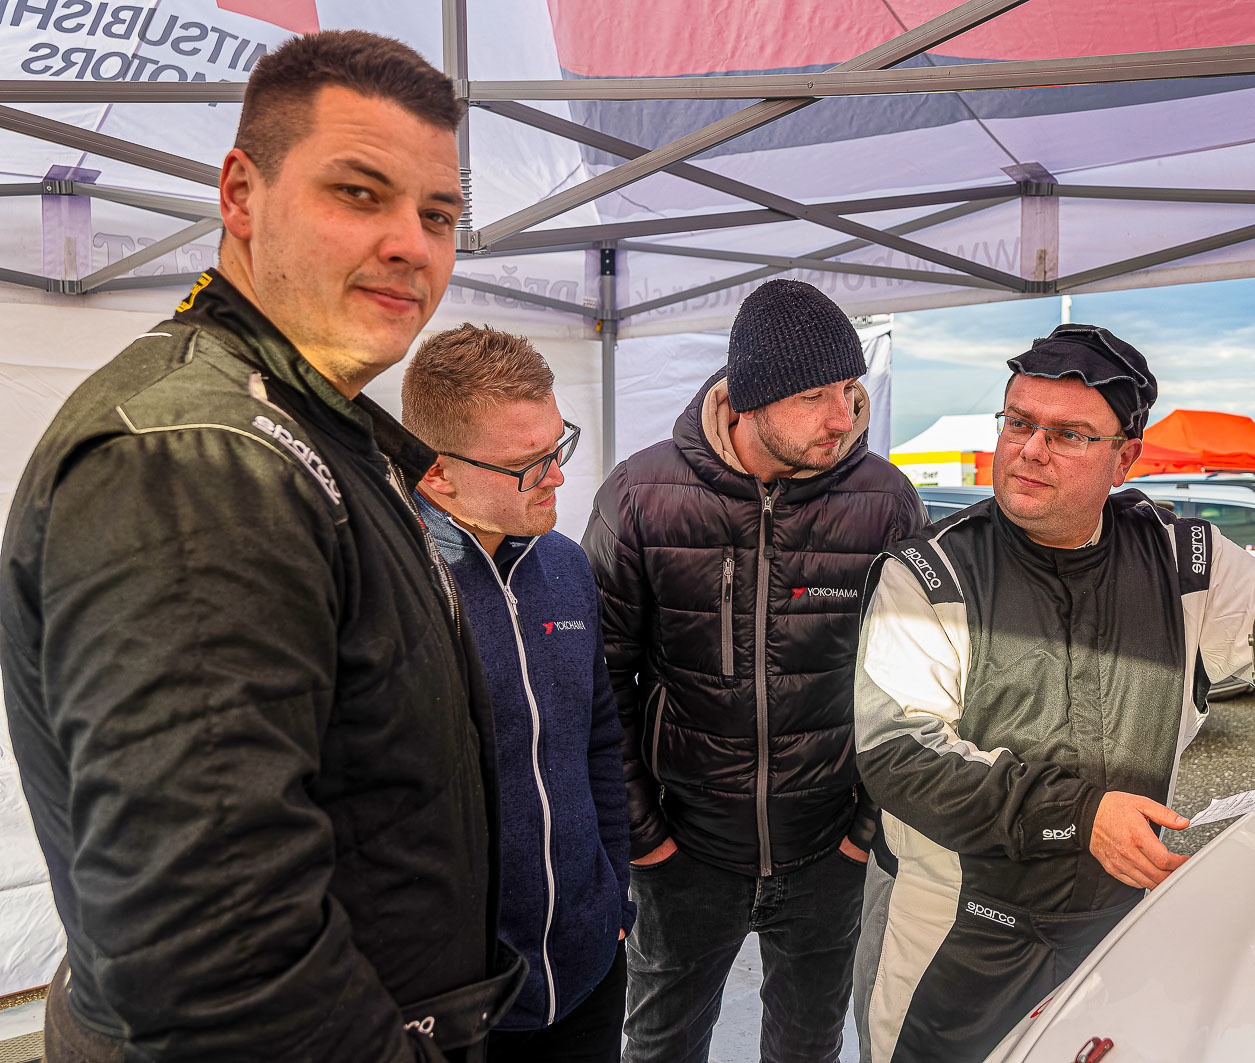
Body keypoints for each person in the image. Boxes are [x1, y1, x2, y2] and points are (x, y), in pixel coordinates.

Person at [0, 31, 524, 1063]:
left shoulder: (309, 427)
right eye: (359, 194)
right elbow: (215, 953)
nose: (413, 245)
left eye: (438, 214)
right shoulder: (199, 459)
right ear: (241, 195)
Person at [851, 324, 1255, 1063]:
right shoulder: (928, 575)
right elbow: (899, 756)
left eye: (1069, 434)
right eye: (1018, 423)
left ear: (1125, 458)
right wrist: (1081, 816)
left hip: (1117, 931)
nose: (1030, 450)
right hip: (954, 936)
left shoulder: (1187, 564)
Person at [582, 279, 926, 1063]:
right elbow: (600, 683)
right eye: (813, 396)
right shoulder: (640, 496)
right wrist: (644, 837)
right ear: (745, 399)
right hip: (684, 850)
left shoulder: (884, 501)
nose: (842, 415)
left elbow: (914, 686)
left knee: (808, 1046)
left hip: (827, 852)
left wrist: (863, 832)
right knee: (661, 1044)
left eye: (848, 388)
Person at [403, 324, 634, 1063]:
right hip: (459, 1000)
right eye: (526, 465)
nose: (556, 477)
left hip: (589, 964)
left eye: (557, 446)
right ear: (437, 474)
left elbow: (598, 738)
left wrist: (615, 894)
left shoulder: (565, 565)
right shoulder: (388, 588)